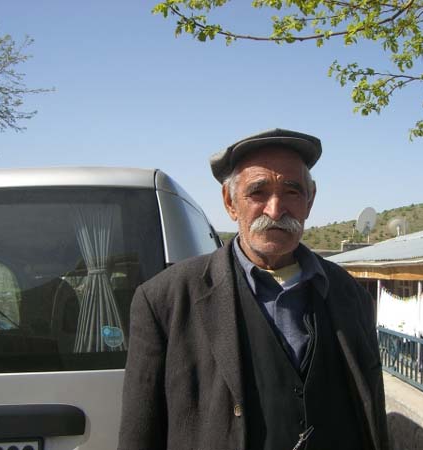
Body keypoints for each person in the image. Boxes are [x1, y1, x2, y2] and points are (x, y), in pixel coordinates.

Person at [118, 129, 390, 450]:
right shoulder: (165, 300)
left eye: (292, 191)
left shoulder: (352, 296)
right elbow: (139, 435)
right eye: (258, 192)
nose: (275, 210)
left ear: (310, 200)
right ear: (230, 202)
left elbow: (372, 416)